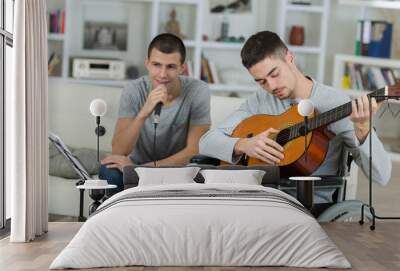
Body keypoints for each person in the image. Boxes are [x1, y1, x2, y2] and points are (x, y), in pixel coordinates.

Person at [199, 31, 391, 202]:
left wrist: (364, 131)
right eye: (261, 81)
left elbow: (382, 176)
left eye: (275, 74)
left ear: (290, 58)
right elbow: (206, 142)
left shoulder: (336, 103)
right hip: (257, 197)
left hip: (307, 203)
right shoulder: (260, 100)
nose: (271, 87)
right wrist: (243, 145)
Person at [100, 33, 211, 193]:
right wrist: (144, 112)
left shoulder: (198, 91)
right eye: (157, 65)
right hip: (135, 166)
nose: (163, 74)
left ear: (182, 68)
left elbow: (193, 151)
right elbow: (119, 150)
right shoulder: (133, 90)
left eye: (171, 67)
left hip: (176, 169)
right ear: (147, 64)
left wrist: (142, 169)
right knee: (108, 169)